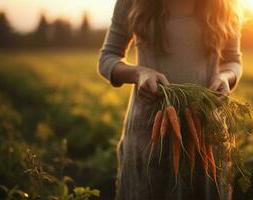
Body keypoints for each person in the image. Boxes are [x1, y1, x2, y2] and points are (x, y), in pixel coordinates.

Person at [98, 0, 243, 199]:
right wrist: (139, 74)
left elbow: (233, 61)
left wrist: (226, 77)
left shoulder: (225, 4)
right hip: (149, 132)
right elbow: (108, 58)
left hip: (205, 132)